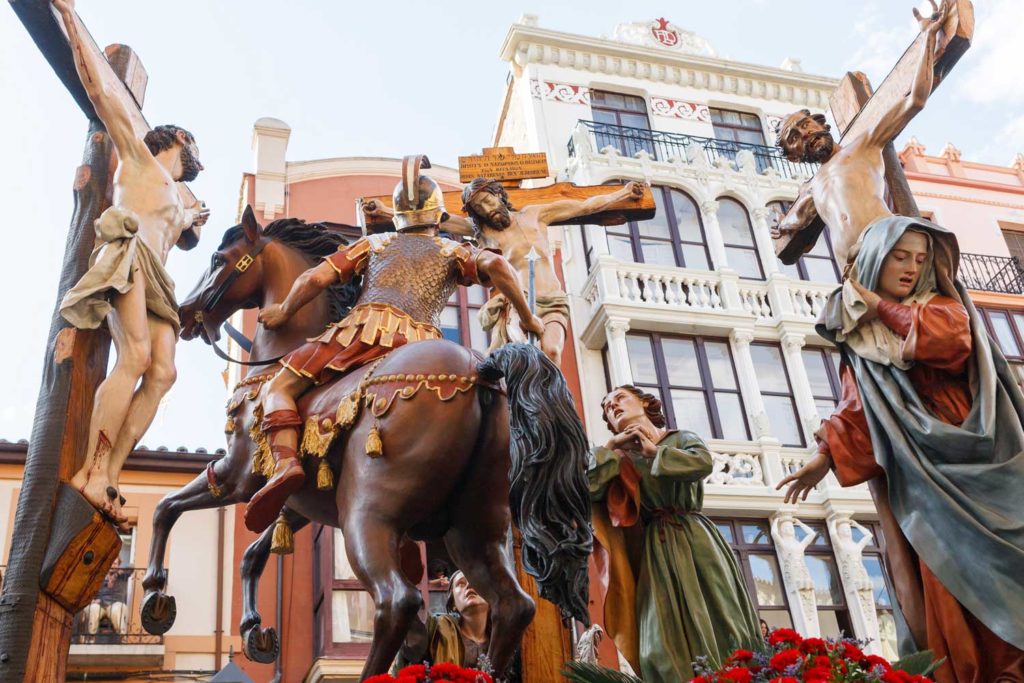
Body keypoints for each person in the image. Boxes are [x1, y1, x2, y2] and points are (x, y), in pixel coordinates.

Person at [778, 220, 1024, 682]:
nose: (912, 267)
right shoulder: (859, 338)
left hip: (974, 454)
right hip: (917, 471)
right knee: (944, 571)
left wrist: (878, 306)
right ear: (877, 258)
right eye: (900, 255)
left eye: (919, 257)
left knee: (1002, 565)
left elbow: (950, 343)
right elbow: (858, 408)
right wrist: (824, 457)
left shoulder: (942, 307)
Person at [246, 156, 542, 532]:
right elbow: (500, 267)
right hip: (420, 344)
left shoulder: (376, 242)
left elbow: (314, 279)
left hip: (363, 332)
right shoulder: (454, 251)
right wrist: (529, 317)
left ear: (398, 216)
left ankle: (286, 463)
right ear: (438, 217)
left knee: (281, 384)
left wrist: (284, 311)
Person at [53, 0, 209, 526]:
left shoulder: (176, 195)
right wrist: (69, 17)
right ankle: (90, 472)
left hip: (159, 277)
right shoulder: (140, 157)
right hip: (130, 254)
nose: (194, 167)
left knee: (164, 373)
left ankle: (110, 474)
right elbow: (103, 93)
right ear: (179, 140)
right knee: (136, 356)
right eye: (193, 152)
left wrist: (193, 222)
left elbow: (181, 228)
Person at [365, 179, 645, 365]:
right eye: (479, 208)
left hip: (553, 299)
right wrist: (388, 210)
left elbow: (586, 205)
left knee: (552, 352)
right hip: (517, 302)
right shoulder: (479, 232)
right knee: (527, 355)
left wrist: (622, 193)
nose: (487, 210)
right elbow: (430, 219)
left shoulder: (536, 214)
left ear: (500, 195)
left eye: (489, 200)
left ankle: (550, 411)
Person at [589, 385, 760, 682]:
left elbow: (702, 462)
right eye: (606, 407)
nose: (612, 407)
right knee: (657, 641)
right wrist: (611, 446)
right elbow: (588, 487)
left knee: (723, 618)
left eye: (620, 399)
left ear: (645, 403)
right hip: (655, 549)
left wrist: (655, 452)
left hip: (696, 539)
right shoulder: (617, 459)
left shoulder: (680, 438)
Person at [771, 1, 948, 266]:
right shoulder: (810, 190)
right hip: (852, 271)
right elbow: (790, 231)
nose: (805, 134)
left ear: (821, 124)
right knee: (834, 310)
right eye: (794, 137)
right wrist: (781, 226)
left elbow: (915, 100)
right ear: (794, 156)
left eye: (805, 124)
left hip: (886, 247)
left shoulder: (865, 143)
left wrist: (928, 37)